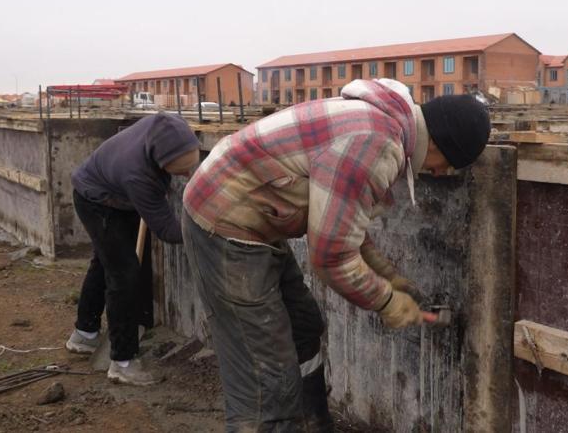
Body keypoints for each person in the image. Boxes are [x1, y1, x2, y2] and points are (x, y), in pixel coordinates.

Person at [181, 79, 491, 431]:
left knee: (303, 327)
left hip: (254, 217)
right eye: (447, 164)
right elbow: (330, 257)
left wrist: (386, 273)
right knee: (266, 379)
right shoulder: (375, 145)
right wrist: (388, 302)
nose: (438, 172)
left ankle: (313, 423)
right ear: (438, 143)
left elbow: (343, 219)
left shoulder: (384, 125)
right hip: (225, 222)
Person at [66, 112, 200, 386]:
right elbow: (167, 230)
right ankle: (123, 362)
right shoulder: (138, 176)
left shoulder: (172, 127)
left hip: (115, 189)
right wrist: (204, 229)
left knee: (106, 263)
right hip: (97, 200)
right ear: (160, 163)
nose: (188, 176)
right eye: (181, 172)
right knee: (124, 274)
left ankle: (85, 334)